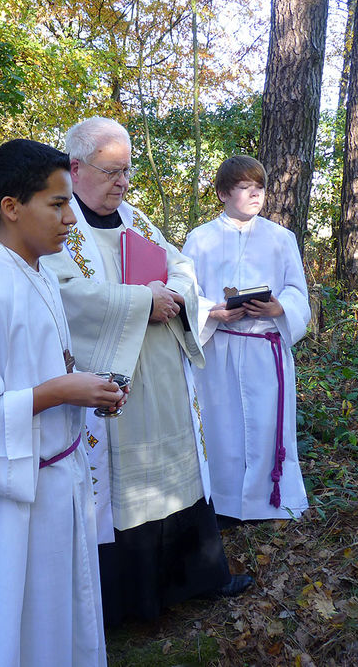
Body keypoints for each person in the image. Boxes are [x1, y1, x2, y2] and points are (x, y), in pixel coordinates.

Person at [42, 117, 251, 628]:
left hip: (162, 371)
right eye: (112, 171)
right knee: (124, 487)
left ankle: (199, 578)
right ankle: (130, 604)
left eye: (128, 170)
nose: (124, 182)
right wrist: (143, 300)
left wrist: (174, 293)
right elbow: (64, 296)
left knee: (179, 474)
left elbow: (179, 263)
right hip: (113, 379)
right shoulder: (60, 226)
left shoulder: (135, 216)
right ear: (75, 168)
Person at [0, 139, 125, 667]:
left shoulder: (36, 272)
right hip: (16, 499)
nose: (70, 219)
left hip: (58, 481)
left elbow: (47, 365)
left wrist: (88, 389)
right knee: (19, 631)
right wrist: (57, 394)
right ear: (11, 208)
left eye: (69, 204)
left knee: (60, 622)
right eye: (57, 204)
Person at [181, 155, 311, 525]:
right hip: (219, 348)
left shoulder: (280, 238)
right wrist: (213, 312)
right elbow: (186, 294)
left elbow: (297, 291)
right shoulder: (200, 239)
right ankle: (221, 503)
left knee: (267, 427)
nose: (256, 195)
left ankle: (271, 502)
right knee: (220, 426)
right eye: (245, 188)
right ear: (223, 193)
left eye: (260, 188)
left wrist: (279, 309)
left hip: (263, 350)